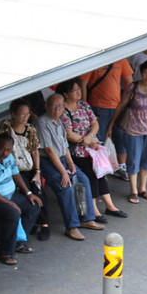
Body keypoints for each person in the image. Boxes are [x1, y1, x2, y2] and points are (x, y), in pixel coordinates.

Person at [36, 94, 118, 241]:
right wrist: (63, 172)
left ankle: (87, 218)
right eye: (54, 106)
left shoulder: (59, 121)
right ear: (47, 106)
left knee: (83, 180)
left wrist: (71, 164)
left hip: (61, 158)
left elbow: (64, 146)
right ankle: (72, 226)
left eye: (60, 106)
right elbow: (49, 150)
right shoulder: (42, 122)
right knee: (65, 186)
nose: (57, 109)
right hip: (48, 161)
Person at [57, 79, 125, 222]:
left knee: (101, 174)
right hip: (77, 151)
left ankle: (110, 205)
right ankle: (93, 209)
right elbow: (69, 134)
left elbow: (94, 123)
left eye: (79, 90)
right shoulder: (63, 111)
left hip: (92, 147)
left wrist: (90, 137)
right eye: (75, 90)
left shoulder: (83, 105)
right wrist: (86, 141)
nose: (79, 92)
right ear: (65, 94)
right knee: (91, 176)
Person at [0, 134, 44, 265]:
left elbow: (15, 173)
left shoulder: (8, 157)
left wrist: (28, 193)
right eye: (1, 148)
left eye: (8, 150)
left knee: (34, 204)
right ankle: (5, 252)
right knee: (12, 212)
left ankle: (18, 242)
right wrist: (11, 204)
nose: (4, 153)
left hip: (7, 196)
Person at [108, 60, 147, 201]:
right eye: (146, 73)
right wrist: (111, 125)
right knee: (133, 160)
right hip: (133, 129)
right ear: (141, 73)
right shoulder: (132, 87)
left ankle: (143, 188)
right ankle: (133, 190)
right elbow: (121, 105)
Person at [0, 99, 51, 241]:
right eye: (22, 114)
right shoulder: (6, 127)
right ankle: (22, 229)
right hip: (12, 169)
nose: (25, 117)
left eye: (27, 114)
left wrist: (38, 171)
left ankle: (44, 224)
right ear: (13, 114)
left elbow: (35, 151)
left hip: (29, 168)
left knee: (39, 192)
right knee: (26, 194)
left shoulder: (30, 129)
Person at [78, 60, 134, 181]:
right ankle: (101, 169)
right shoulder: (94, 59)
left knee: (121, 138)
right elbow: (83, 83)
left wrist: (125, 100)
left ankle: (121, 167)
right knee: (98, 141)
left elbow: (129, 81)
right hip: (97, 107)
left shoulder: (121, 59)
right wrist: (84, 106)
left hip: (117, 107)